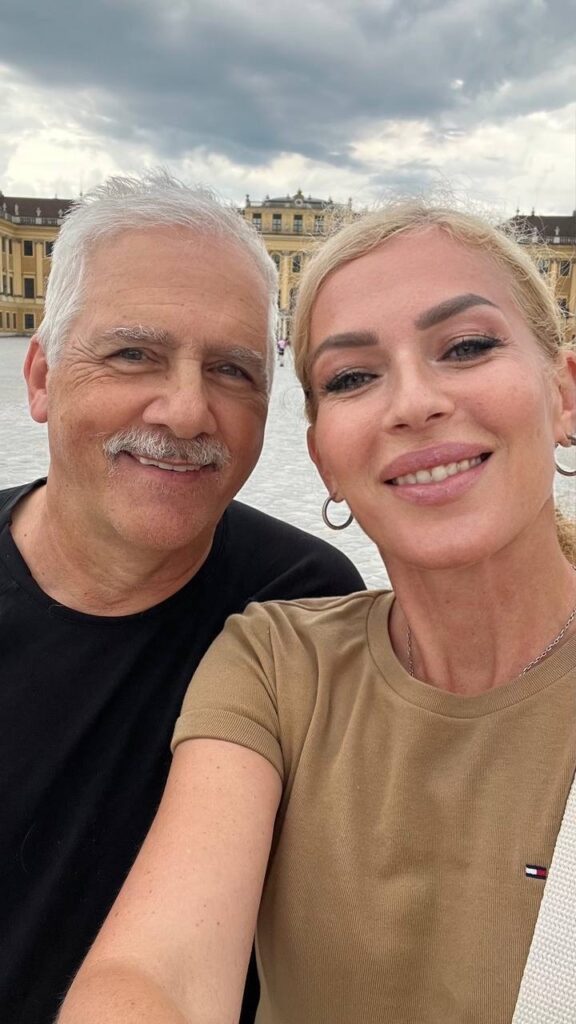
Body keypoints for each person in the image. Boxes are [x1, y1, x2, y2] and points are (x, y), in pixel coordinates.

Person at [57, 199, 576, 1024]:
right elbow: (162, 975)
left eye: (467, 346)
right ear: (323, 459)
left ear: (565, 392)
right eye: (351, 378)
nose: (413, 403)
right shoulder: (277, 659)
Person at [0, 171, 365, 1024]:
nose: (187, 411)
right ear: (41, 376)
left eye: (233, 370)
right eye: (134, 354)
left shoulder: (304, 610)